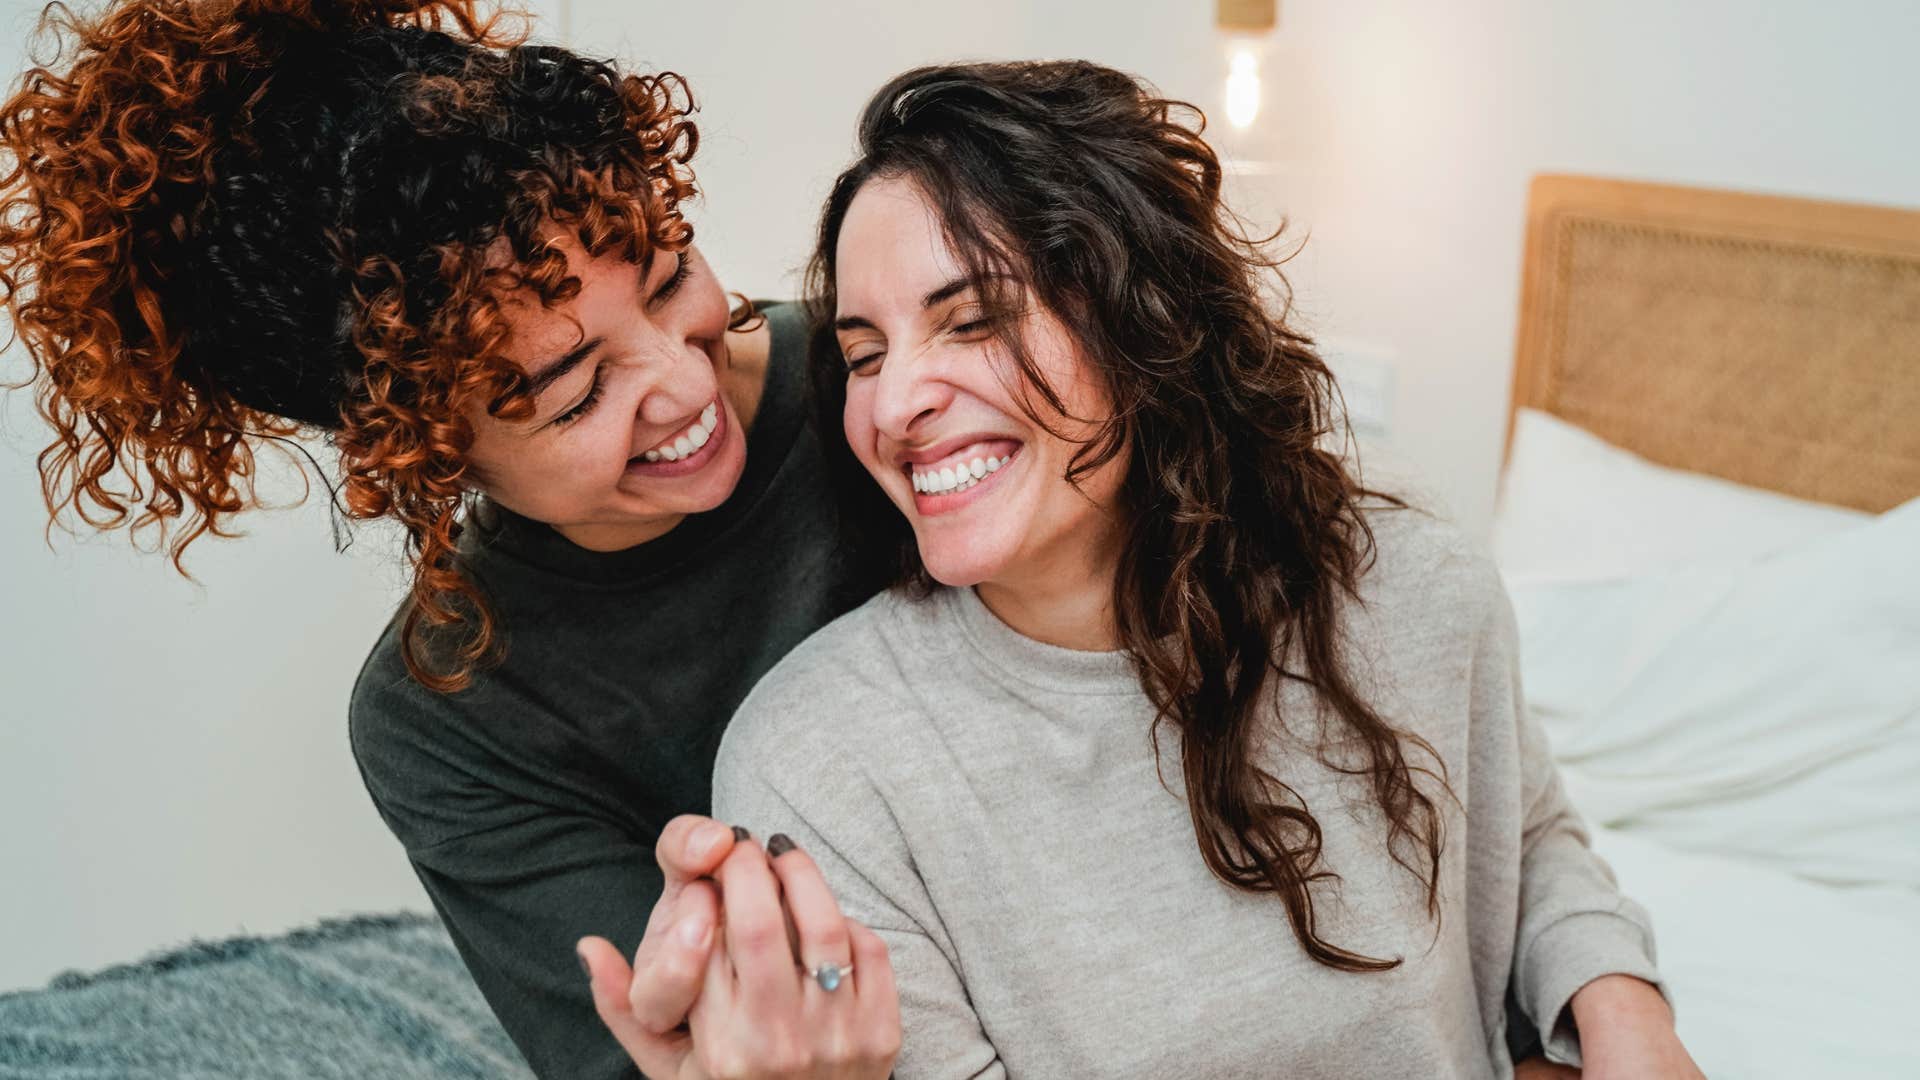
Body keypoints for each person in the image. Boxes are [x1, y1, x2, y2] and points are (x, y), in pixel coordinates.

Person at [711, 60, 1707, 1078]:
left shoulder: (1406, 575)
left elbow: (1525, 834)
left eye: (973, 320)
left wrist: (1624, 1010)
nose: (893, 404)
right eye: (865, 352)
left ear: (1142, 321)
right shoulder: (820, 769)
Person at [0, 1, 895, 1076]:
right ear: (421, 453)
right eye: (576, 394)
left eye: (668, 280)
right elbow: (638, 1055)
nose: (685, 380)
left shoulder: (891, 380)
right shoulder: (448, 717)